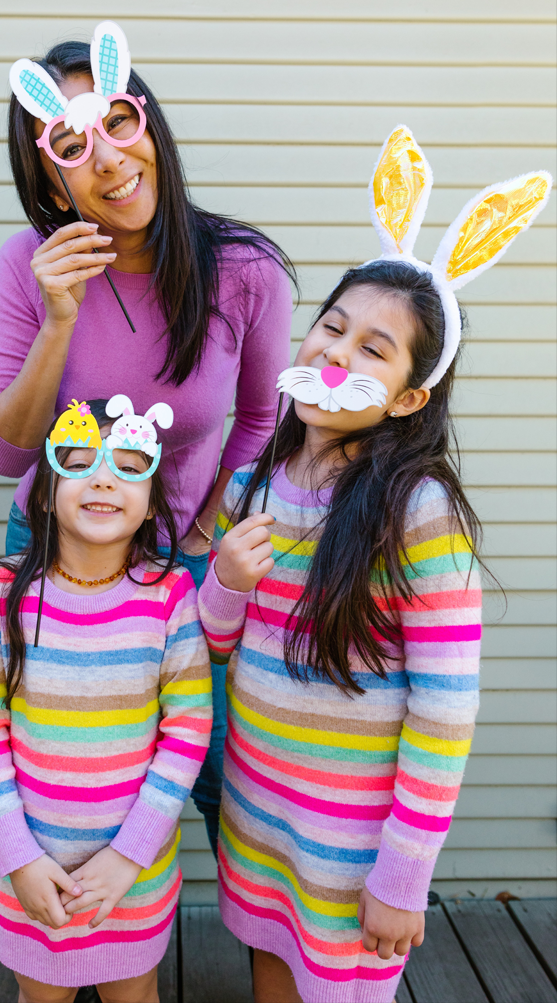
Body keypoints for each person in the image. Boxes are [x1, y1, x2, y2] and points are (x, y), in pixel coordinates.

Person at [0, 28, 294, 853]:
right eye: (71, 146)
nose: (108, 160)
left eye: (117, 122)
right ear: (48, 175)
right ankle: (72, 957)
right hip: (55, 554)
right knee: (64, 776)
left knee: (225, 776)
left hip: (189, 565)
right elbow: (6, 452)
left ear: (146, 121)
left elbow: (262, 421)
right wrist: (58, 320)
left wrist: (197, 536)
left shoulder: (244, 268)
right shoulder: (29, 265)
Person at [197, 260, 482, 1003]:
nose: (337, 351)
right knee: (269, 962)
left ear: (408, 397)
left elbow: (445, 709)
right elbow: (212, 647)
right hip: (258, 809)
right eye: (332, 326)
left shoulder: (417, 509)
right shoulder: (250, 486)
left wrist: (404, 872)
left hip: (352, 842)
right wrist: (225, 581)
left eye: (373, 348)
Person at [0, 399, 212, 1003]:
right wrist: (17, 856)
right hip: (30, 867)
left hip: (134, 872)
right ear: (44, 492)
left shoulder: (171, 594)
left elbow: (189, 730)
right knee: (41, 994)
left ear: (152, 499)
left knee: (134, 992)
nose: (103, 477)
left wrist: (130, 854)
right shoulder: (2, 591)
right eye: (78, 463)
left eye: (129, 466)